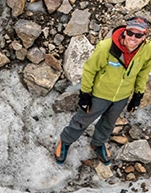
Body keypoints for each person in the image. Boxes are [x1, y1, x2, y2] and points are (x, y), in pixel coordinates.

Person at [55, 16, 151, 165]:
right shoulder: (106, 47)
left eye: (138, 35)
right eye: (130, 32)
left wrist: (138, 95)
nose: (133, 37)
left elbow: (143, 73)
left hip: (122, 96)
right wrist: (85, 94)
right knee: (83, 119)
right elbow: (89, 70)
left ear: (144, 36)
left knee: (109, 123)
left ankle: (98, 143)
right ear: (125, 32)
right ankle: (65, 141)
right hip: (99, 95)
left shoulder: (147, 50)